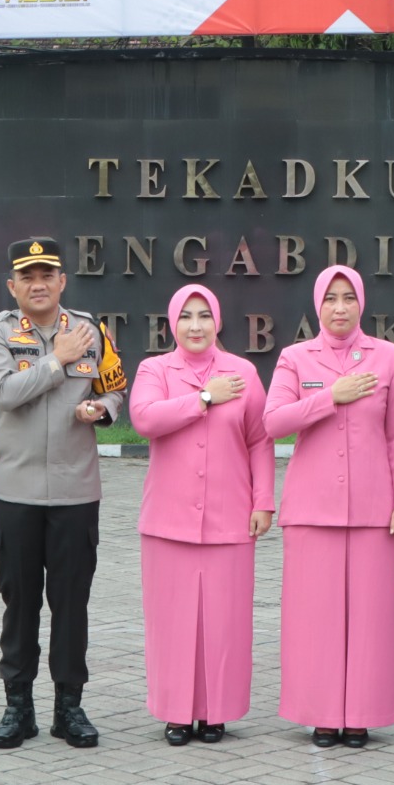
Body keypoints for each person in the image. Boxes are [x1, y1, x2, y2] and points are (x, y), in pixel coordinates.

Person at [0, 238, 127, 749]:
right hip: (16, 493)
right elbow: (6, 394)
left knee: (71, 604)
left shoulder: (91, 330)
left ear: (62, 281)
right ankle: (18, 706)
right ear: (12, 286)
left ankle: (70, 706)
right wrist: (57, 361)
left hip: (75, 491)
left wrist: (101, 411)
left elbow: (114, 388)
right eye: (27, 277)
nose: (38, 284)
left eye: (47, 275)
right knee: (19, 604)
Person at [268, 265, 394, 747]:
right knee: (315, 618)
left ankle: (362, 715)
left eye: (347, 298)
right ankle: (322, 714)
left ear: (361, 303)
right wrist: (329, 397)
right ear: (317, 304)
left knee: (371, 616)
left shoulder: (390, 357)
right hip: (312, 509)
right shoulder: (295, 358)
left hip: (375, 510)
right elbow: (273, 422)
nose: (339, 308)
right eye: (330, 298)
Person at [130, 285, 274, 745]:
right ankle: (177, 712)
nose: (196, 325)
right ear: (173, 323)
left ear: (217, 321)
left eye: (204, 316)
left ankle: (217, 712)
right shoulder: (155, 369)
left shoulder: (244, 372)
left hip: (230, 518)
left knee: (225, 620)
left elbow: (260, 439)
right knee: (172, 621)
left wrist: (263, 500)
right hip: (168, 523)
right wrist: (203, 398)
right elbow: (146, 418)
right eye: (186, 316)